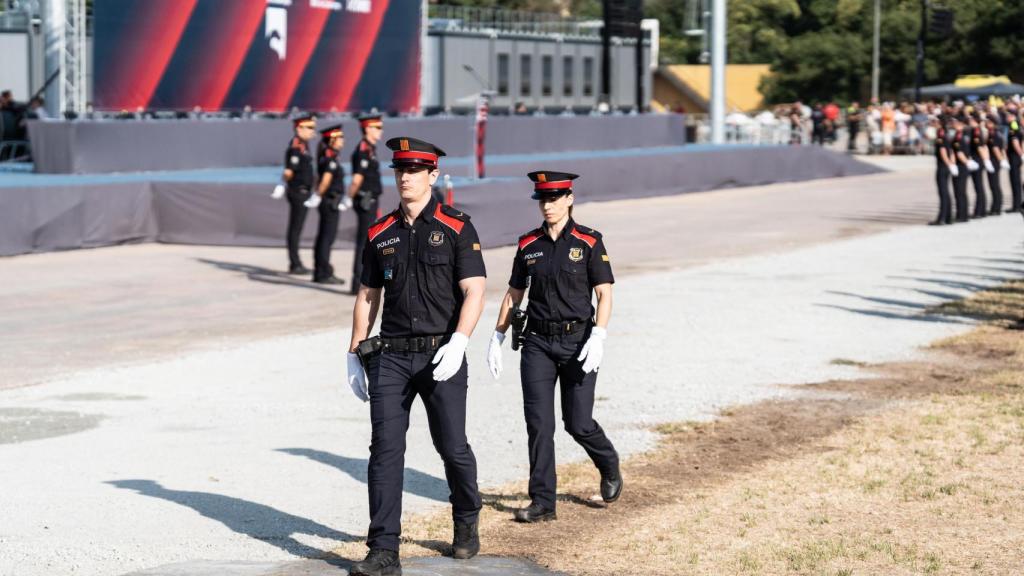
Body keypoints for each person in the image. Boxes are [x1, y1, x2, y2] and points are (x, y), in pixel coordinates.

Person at [346, 137, 486, 576]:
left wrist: (460, 340)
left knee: (452, 446)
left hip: (441, 353)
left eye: (415, 170)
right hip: (390, 357)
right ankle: (383, 549)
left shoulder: (457, 227)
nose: (405, 177)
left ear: (433, 175)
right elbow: (368, 294)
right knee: (385, 450)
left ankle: (466, 517)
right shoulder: (379, 232)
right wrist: (354, 350)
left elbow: (475, 290)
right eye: (399, 170)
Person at [486, 170, 622, 524]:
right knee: (538, 424)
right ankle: (543, 501)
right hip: (537, 343)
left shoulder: (589, 242)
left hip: (579, 340)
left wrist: (600, 335)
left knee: (577, 423)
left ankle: (608, 463)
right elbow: (515, 293)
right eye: (543, 200)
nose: (548, 205)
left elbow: (604, 292)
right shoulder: (528, 244)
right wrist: (497, 336)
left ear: (569, 199)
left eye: (555, 198)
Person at [349, 113, 384, 294]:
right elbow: (356, 179)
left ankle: (363, 280)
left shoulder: (370, 149)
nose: (381, 131)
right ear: (368, 128)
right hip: (365, 200)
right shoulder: (362, 150)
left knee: (369, 241)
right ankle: (357, 283)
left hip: (371, 199)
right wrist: (349, 197)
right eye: (377, 127)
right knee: (364, 241)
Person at [312, 123, 347, 284]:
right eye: (340, 137)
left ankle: (321, 270)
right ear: (332, 139)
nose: (343, 140)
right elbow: (325, 180)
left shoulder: (328, 155)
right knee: (327, 238)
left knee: (324, 237)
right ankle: (323, 272)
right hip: (329, 200)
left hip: (328, 200)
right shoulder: (330, 158)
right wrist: (318, 195)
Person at [281, 114, 316, 274]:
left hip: (305, 191)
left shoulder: (303, 146)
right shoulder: (295, 147)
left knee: (298, 227)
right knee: (295, 228)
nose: (312, 131)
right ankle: (295, 263)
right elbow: (289, 172)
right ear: (299, 128)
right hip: (298, 192)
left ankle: (295, 262)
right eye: (309, 127)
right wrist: (283, 184)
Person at [930, 117, 956, 226]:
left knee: (943, 192)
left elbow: (943, 151)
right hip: (947, 166)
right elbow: (951, 151)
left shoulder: (940, 134)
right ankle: (948, 217)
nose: (933, 123)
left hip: (942, 166)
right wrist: (952, 163)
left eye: (935, 121)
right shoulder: (946, 133)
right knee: (946, 191)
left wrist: (949, 163)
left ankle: (942, 218)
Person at [966, 114, 988, 219]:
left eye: (971, 119)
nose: (970, 121)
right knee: (979, 186)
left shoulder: (976, 131)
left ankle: (979, 211)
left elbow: (980, 147)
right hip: (978, 160)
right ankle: (981, 210)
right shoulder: (976, 130)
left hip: (977, 160)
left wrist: (985, 160)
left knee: (978, 186)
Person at [985, 116, 1007, 215]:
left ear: (993, 123)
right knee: (994, 185)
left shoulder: (993, 134)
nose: (986, 124)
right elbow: (1002, 147)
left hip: (994, 161)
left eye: (988, 122)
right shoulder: (997, 133)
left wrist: (1001, 160)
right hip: (995, 161)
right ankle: (995, 206)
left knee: (994, 185)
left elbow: (996, 149)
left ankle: (996, 208)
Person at [950, 116, 971, 223]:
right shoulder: (965, 135)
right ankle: (962, 214)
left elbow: (958, 152)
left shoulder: (959, 135)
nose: (953, 124)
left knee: (960, 191)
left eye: (955, 122)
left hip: (960, 165)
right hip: (963, 165)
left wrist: (965, 163)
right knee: (960, 191)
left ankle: (962, 215)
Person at [1009, 108, 1024, 215]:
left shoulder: (1014, 124)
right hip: (1016, 156)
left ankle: (1017, 204)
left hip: (1015, 156)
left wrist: (1021, 154)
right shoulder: (1017, 124)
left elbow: (1016, 141)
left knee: (1016, 181)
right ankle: (1017, 204)